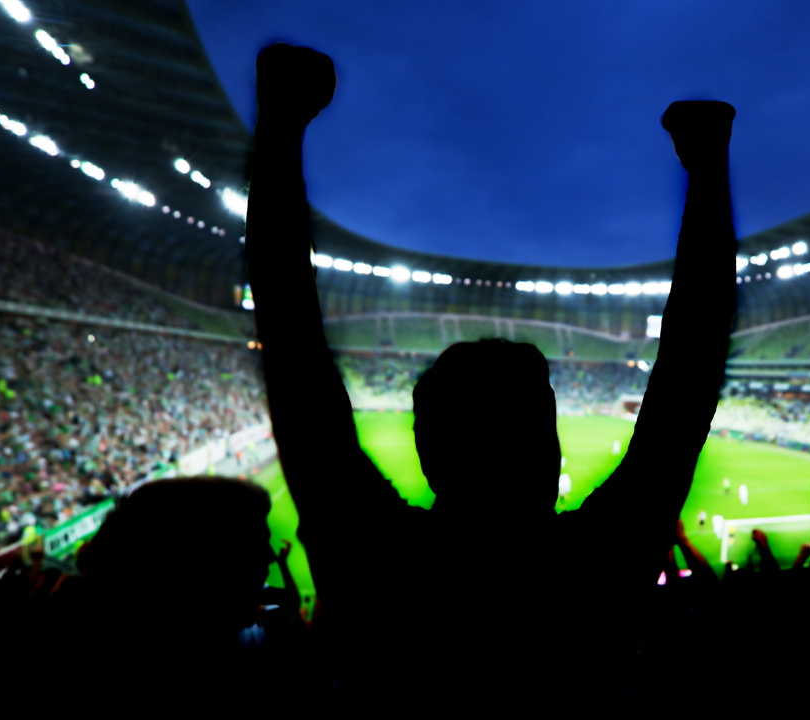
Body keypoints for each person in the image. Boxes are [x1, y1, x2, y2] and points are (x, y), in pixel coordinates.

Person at [245, 44, 737, 703]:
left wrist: (282, 125)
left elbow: (294, 354)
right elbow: (689, 378)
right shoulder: (599, 564)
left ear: (425, 450)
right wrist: (707, 169)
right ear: (551, 446)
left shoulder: (373, 560)